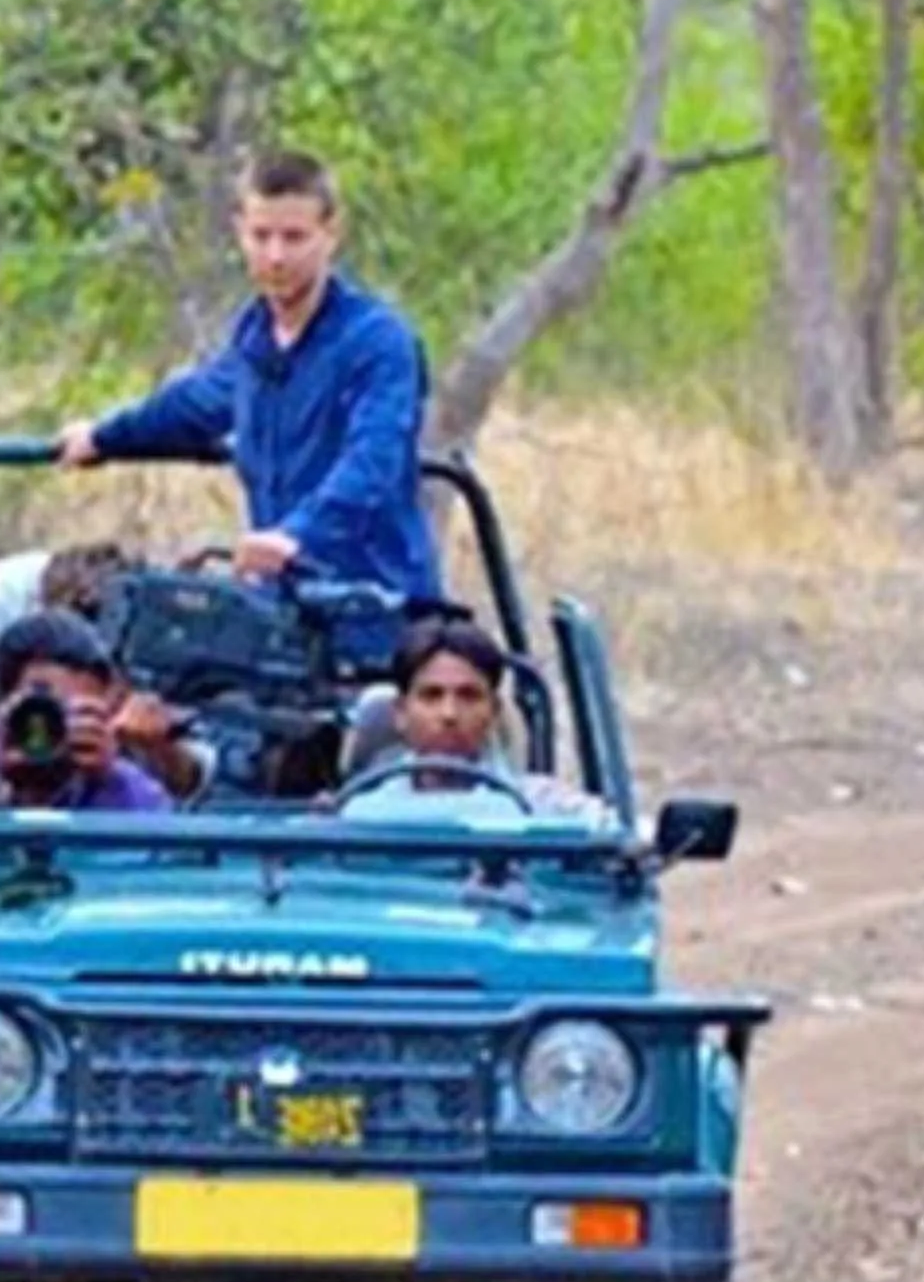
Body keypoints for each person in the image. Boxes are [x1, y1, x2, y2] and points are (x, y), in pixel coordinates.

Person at [52, 149, 442, 615]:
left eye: (294, 237)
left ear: (331, 234)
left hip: (379, 605)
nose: (276, 256)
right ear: (240, 231)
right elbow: (194, 404)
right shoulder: (254, 340)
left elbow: (374, 459)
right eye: (262, 236)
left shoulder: (377, 342)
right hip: (282, 610)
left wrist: (296, 536)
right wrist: (103, 437)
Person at [0, 541, 207, 798]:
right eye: (42, 702)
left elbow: (190, 791)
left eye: (79, 705)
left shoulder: (131, 792)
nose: (51, 722)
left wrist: (132, 760)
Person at [336, 618, 611, 827]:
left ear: (493, 711)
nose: (449, 714)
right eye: (431, 696)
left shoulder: (542, 806)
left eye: (469, 696)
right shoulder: (356, 817)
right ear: (401, 712)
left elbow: (617, 838)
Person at [0, 608, 173, 813]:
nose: (47, 726)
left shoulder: (134, 796)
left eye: (75, 713)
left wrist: (110, 786)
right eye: (40, 706)